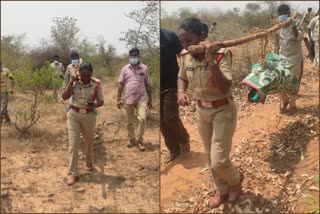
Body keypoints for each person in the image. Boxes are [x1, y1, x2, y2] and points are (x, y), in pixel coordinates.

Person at [176, 17, 243, 208]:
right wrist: (181, 91)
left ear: (202, 36)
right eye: (182, 41)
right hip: (201, 111)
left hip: (222, 110)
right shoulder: (184, 57)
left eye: (189, 40)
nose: (186, 45)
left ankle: (236, 180)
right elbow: (181, 77)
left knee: (219, 160)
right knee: (209, 155)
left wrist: (210, 60)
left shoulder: (221, 54)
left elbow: (224, 86)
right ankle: (221, 190)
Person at [61, 62, 104, 186]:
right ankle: (73, 173)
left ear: (91, 74)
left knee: (89, 140)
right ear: (79, 73)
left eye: (88, 75)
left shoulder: (96, 84)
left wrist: (95, 104)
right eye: (83, 75)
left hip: (89, 116)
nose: (85, 78)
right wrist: (70, 83)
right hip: (73, 114)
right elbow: (64, 97)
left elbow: (101, 101)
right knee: (73, 144)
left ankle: (89, 161)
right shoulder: (74, 82)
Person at [160, 28, 190, 163]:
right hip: (157, 86)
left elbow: (183, 55)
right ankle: (173, 149)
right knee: (162, 122)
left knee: (170, 117)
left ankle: (184, 139)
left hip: (172, 83)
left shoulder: (169, 35)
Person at [117, 48, 152, 152]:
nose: (133, 58)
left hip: (142, 97)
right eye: (131, 56)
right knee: (129, 121)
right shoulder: (124, 69)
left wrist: (151, 99)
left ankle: (139, 141)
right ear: (129, 57)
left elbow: (148, 84)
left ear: (139, 56)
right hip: (129, 97)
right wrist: (118, 98)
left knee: (142, 118)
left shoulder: (144, 68)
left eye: (135, 56)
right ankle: (132, 139)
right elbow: (120, 84)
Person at [272, 4, 304, 113]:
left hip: (295, 57)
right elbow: (275, 43)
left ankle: (293, 105)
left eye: (284, 13)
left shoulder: (297, 22)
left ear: (289, 13)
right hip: (282, 57)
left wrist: (293, 25)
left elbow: (298, 38)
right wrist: (273, 56)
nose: (282, 16)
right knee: (278, 81)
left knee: (293, 82)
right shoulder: (278, 25)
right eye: (280, 14)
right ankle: (284, 100)